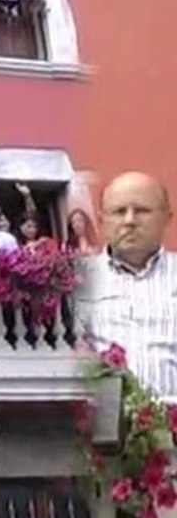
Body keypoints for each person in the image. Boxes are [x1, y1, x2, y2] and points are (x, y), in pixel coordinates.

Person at [77, 171, 175, 400]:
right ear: (102, 220)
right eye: (119, 211)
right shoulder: (76, 280)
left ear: (167, 218)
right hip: (97, 418)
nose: (129, 221)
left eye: (142, 210)